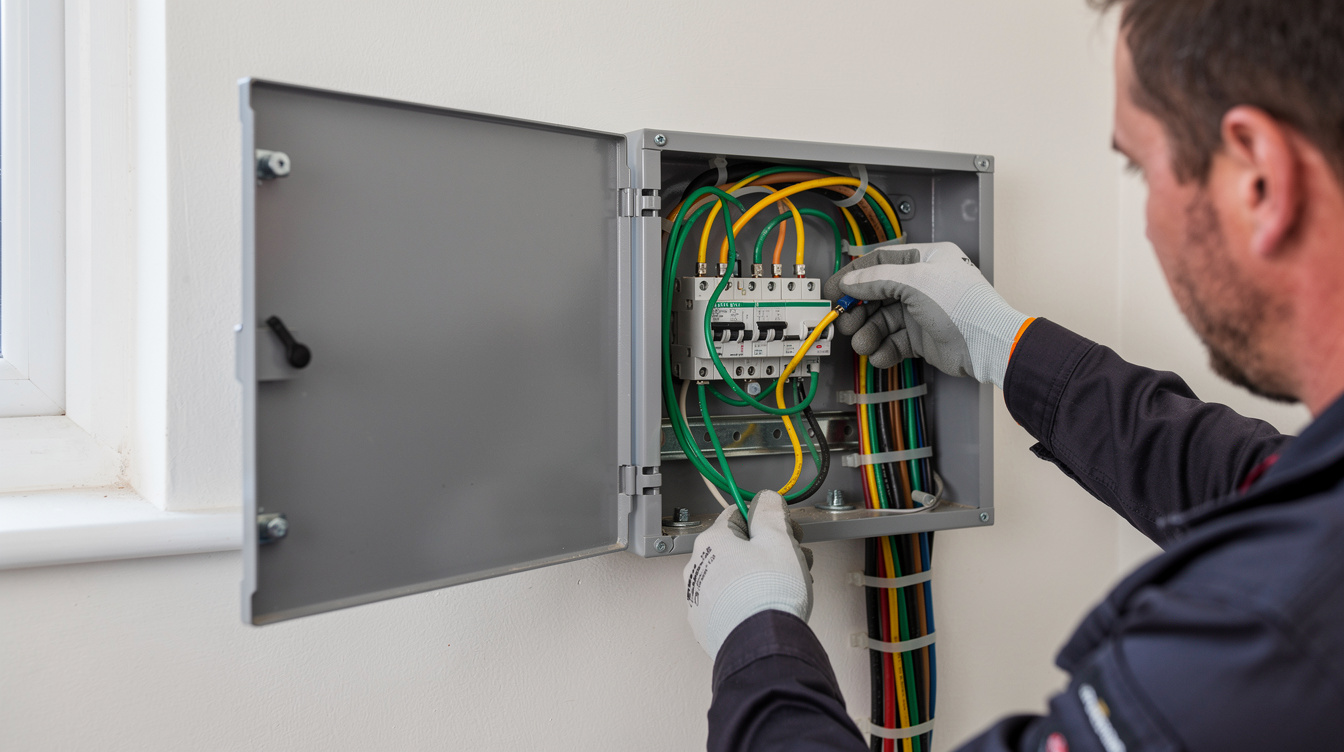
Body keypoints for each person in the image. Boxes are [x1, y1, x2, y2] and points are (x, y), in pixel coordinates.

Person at [682, 0, 1344, 749]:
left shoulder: (1267, 637)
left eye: (1139, 166)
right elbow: (1253, 479)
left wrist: (757, 645)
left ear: (1258, 176)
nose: (1150, 218)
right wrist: (1010, 344)